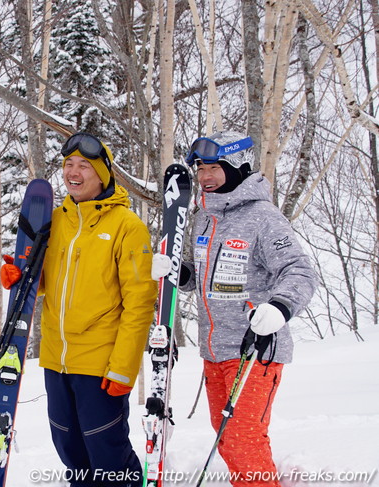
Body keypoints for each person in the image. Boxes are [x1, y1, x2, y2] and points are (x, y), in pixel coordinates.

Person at [152, 131, 318, 486]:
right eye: (200, 169)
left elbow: (300, 271)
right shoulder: (204, 218)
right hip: (214, 351)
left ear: (237, 166)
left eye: (214, 168)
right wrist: (179, 274)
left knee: (243, 439)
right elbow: (205, 280)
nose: (204, 177)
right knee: (228, 438)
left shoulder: (263, 217)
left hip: (254, 349)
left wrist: (280, 306)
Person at [4, 133, 158, 485]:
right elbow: (44, 281)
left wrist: (123, 369)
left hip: (100, 365)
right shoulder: (56, 220)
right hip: (56, 360)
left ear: (102, 173)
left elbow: (140, 303)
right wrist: (20, 275)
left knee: (108, 455)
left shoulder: (127, 227)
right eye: (68, 165)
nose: (73, 172)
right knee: (70, 451)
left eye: (84, 166)